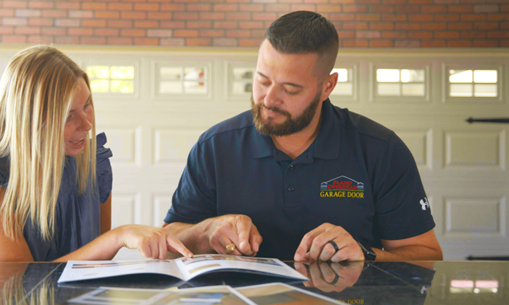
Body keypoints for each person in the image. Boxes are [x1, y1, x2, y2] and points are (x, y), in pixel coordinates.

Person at [163, 11, 442, 262]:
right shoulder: (215, 147)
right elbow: (170, 237)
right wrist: (206, 231)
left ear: (327, 87)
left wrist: (366, 253)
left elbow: (427, 256)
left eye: (291, 89)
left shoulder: (382, 150)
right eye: (262, 81)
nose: (269, 100)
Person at [0, 45, 192, 262]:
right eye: (69, 115)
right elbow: (13, 283)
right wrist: (118, 236)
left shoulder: (93, 164)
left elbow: (93, 262)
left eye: (87, 105)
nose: (87, 125)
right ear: (29, 119)